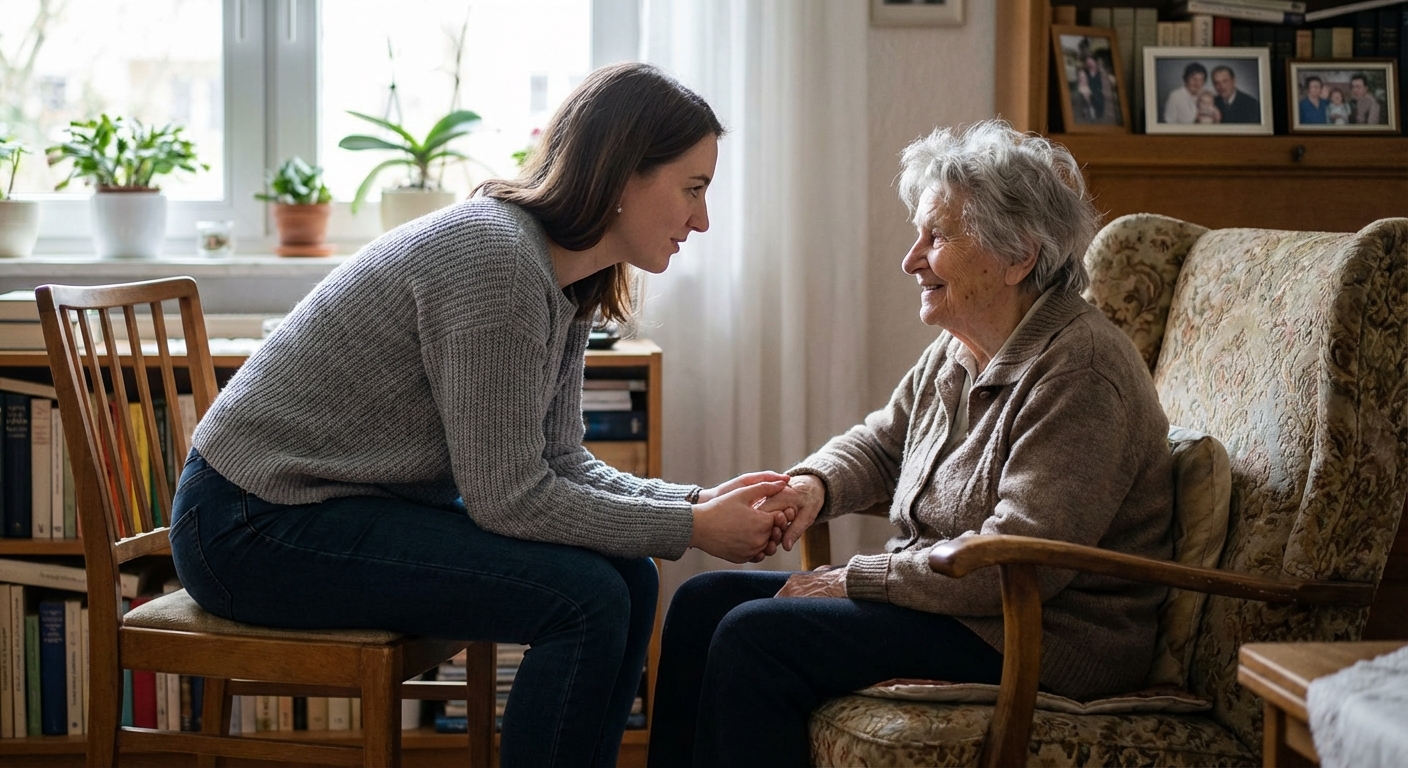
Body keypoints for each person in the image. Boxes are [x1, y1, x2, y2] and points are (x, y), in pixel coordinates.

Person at [167, 62, 794, 768]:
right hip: (249, 524)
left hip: (326, 508)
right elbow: (509, 498)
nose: (702, 220)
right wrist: (692, 527)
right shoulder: (496, 260)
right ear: (624, 177)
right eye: (693, 189)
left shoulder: (565, 276)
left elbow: (557, 462)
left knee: (632, 574)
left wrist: (693, 503)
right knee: (585, 598)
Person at [647, 120, 1175, 768]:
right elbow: (884, 442)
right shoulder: (961, 348)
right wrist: (814, 485)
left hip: (1034, 633)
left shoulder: (1082, 373)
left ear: (1018, 256)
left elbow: (1017, 556)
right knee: (700, 605)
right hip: (955, 607)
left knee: (756, 639)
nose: (912, 258)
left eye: (938, 237)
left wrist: (854, 580)